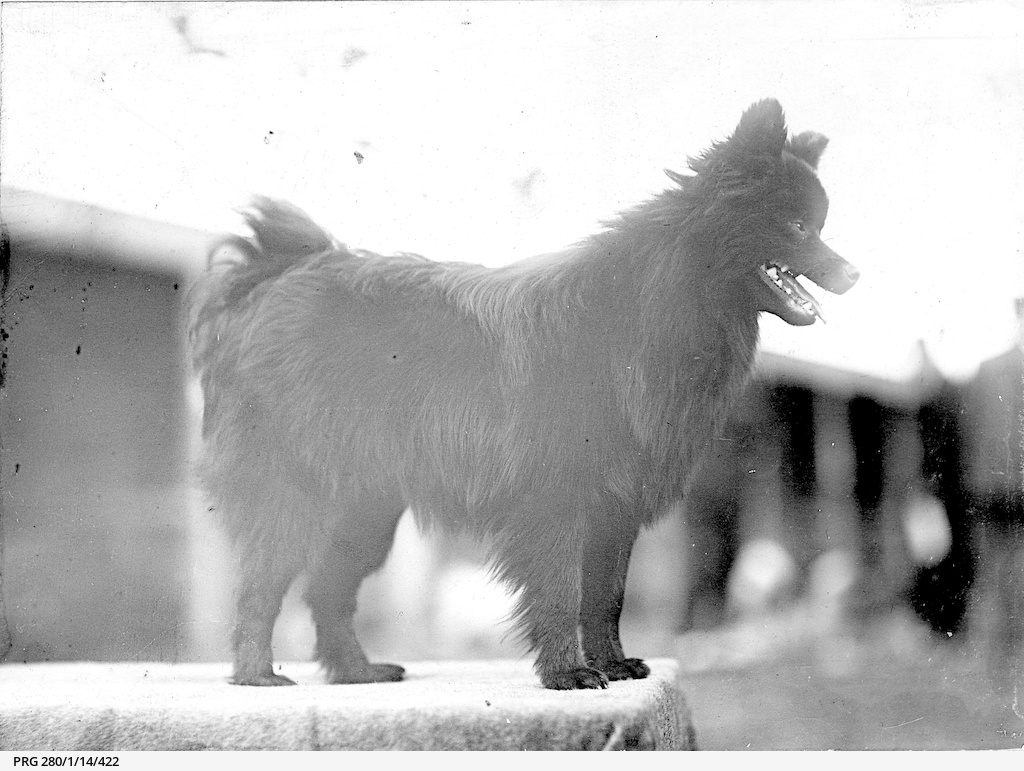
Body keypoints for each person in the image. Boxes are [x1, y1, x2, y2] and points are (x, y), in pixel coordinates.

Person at [966, 296, 1024, 689]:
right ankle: (993, 658)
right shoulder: (990, 371)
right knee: (995, 572)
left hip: (993, 486)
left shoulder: (989, 370)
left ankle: (993, 660)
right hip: (1000, 488)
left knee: (996, 572)